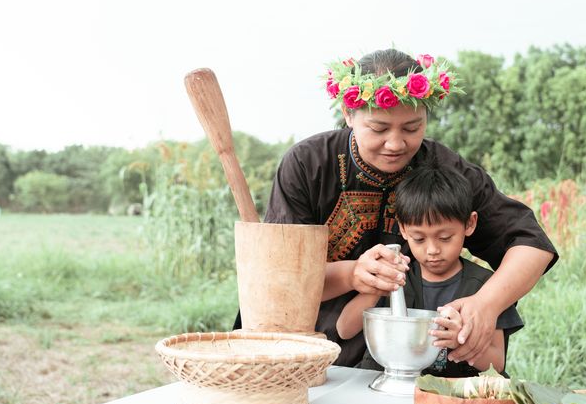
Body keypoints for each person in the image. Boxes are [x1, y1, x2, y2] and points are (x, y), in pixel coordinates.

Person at [237, 48, 557, 367]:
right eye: (378, 129)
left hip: (410, 361)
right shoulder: (308, 164)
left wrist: (485, 305)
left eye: (412, 128)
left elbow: (530, 244)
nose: (395, 144)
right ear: (349, 114)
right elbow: (275, 280)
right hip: (307, 350)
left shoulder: (444, 169)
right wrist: (351, 274)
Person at [337, 163, 524, 377]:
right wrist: (375, 288)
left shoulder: (485, 287)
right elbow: (345, 329)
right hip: (390, 390)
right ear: (404, 229)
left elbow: (497, 363)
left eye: (445, 238)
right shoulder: (395, 277)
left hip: (454, 397)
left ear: (469, 224)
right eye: (419, 239)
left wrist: (461, 342)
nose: (433, 250)